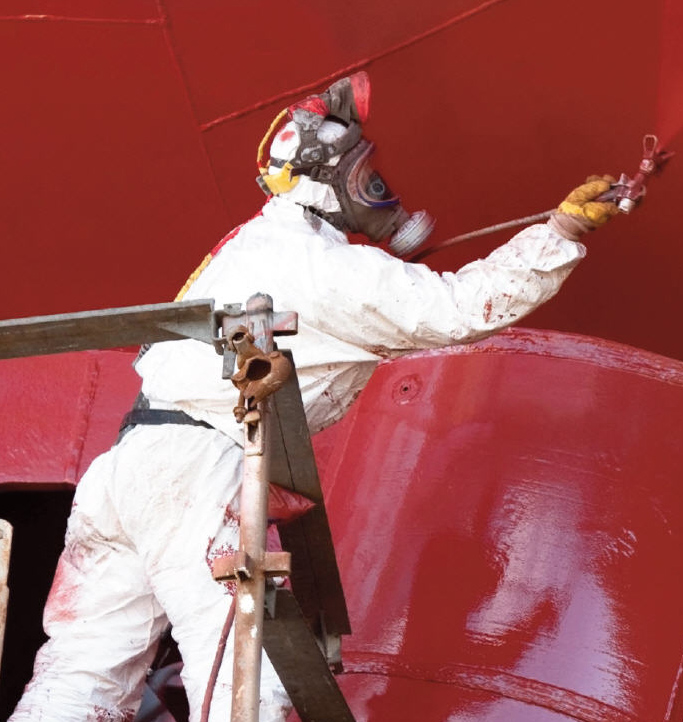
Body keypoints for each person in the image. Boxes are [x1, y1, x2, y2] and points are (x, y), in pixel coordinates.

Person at [10, 72, 621, 722]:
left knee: (80, 674)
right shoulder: (324, 267)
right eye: (365, 171)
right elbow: (461, 309)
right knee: (245, 677)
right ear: (331, 177)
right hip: (198, 471)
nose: (377, 186)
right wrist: (561, 231)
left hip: (125, 468)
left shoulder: (251, 245)